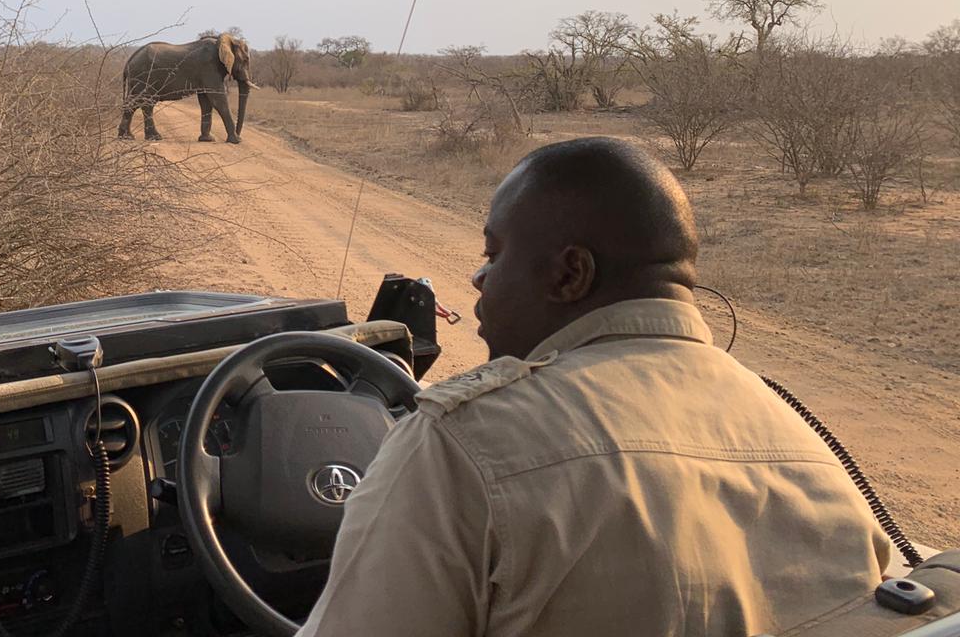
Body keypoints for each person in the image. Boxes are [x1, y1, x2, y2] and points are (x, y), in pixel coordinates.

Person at [298, 136, 889, 636]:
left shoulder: (462, 446)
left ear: (570, 274)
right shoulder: (803, 444)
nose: (477, 278)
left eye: (493, 253)